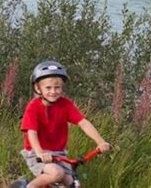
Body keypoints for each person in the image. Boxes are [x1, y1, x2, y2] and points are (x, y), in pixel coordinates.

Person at [20, 60, 110, 188]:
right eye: (48, 88)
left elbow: (83, 123)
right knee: (56, 173)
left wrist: (100, 141)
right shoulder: (33, 107)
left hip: (59, 153)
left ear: (62, 87)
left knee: (72, 183)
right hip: (37, 153)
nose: (53, 91)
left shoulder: (65, 104)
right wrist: (40, 153)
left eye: (57, 87)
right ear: (37, 88)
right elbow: (31, 133)